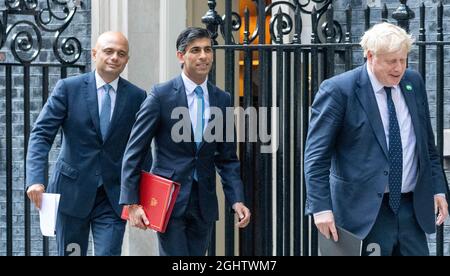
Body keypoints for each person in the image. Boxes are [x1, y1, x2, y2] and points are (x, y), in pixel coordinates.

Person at [304, 22, 448, 256]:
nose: (399, 68)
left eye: (403, 60)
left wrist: (438, 189)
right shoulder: (339, 90)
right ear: (370, 56)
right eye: (392, 61)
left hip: (411, 210)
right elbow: (316, 157)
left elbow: (426, 146)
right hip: (362, 213)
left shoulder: (413, 83)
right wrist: (320, 208)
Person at [120, 27, 251, 256]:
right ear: (181, 56)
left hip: (204, 202)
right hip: (169, 200)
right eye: (196, 50)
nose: (204, 56)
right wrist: (131, 202)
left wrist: (237, 199)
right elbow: (135, 151)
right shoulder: (160, 96)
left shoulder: (222, 99)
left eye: (208, 50)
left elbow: (227, 157)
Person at [26, 32, 147, 256]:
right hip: (71, 194)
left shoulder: (137, 97)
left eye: (121, 54)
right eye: (108, 51)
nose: (114, 58)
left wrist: (140, 198)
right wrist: (35, 180)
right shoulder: (68, 88)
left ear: (127, 60)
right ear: (94, 54)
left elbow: (141, 149)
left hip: (113, 197)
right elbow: (41, 134)